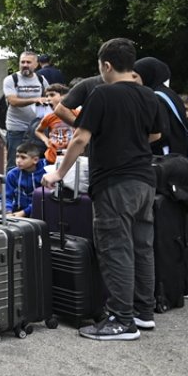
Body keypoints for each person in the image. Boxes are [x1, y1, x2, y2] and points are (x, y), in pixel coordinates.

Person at [42, 38, 164, 341]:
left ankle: (122, 320)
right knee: (142, 247)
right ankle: (142, 312)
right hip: (145, 180)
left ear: (105, 65)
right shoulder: (150, 95)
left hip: (113, 182)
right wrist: (129, 142)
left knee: (115, 249)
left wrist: (59, 173)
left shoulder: (102, 94)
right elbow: (156, 133)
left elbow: (81, 139)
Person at [2, 51, 52, 169]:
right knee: (15, 163)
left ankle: (32, 187)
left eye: (28, 62)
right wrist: (35, 99)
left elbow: (48, 97)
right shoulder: (11, 79)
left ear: (36, 64)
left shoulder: (41, 79)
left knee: (35, 162)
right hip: (16, 127)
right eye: (22, 62)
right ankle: (13, 186)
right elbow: (13, 101)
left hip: (37, 128)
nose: (25, 64)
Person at [34, 84, 75, 164]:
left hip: (72, 156)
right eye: (47, 96)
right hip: (52, 158)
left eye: (52, 95)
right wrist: (46, 140)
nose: (48, 98)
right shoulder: (49, 117)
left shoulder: (76, 113)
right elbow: (38, 131)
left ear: (64, 96)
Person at [5, 143, 46, 218]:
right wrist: (8, 211)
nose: (18, 161)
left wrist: (24, 212)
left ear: (35, 160)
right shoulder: (12, 174)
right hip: (16, 211)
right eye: (17, 157)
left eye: (23, 158)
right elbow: (6, 196)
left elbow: (43, 199)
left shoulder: (45, 174)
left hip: (38, 211)